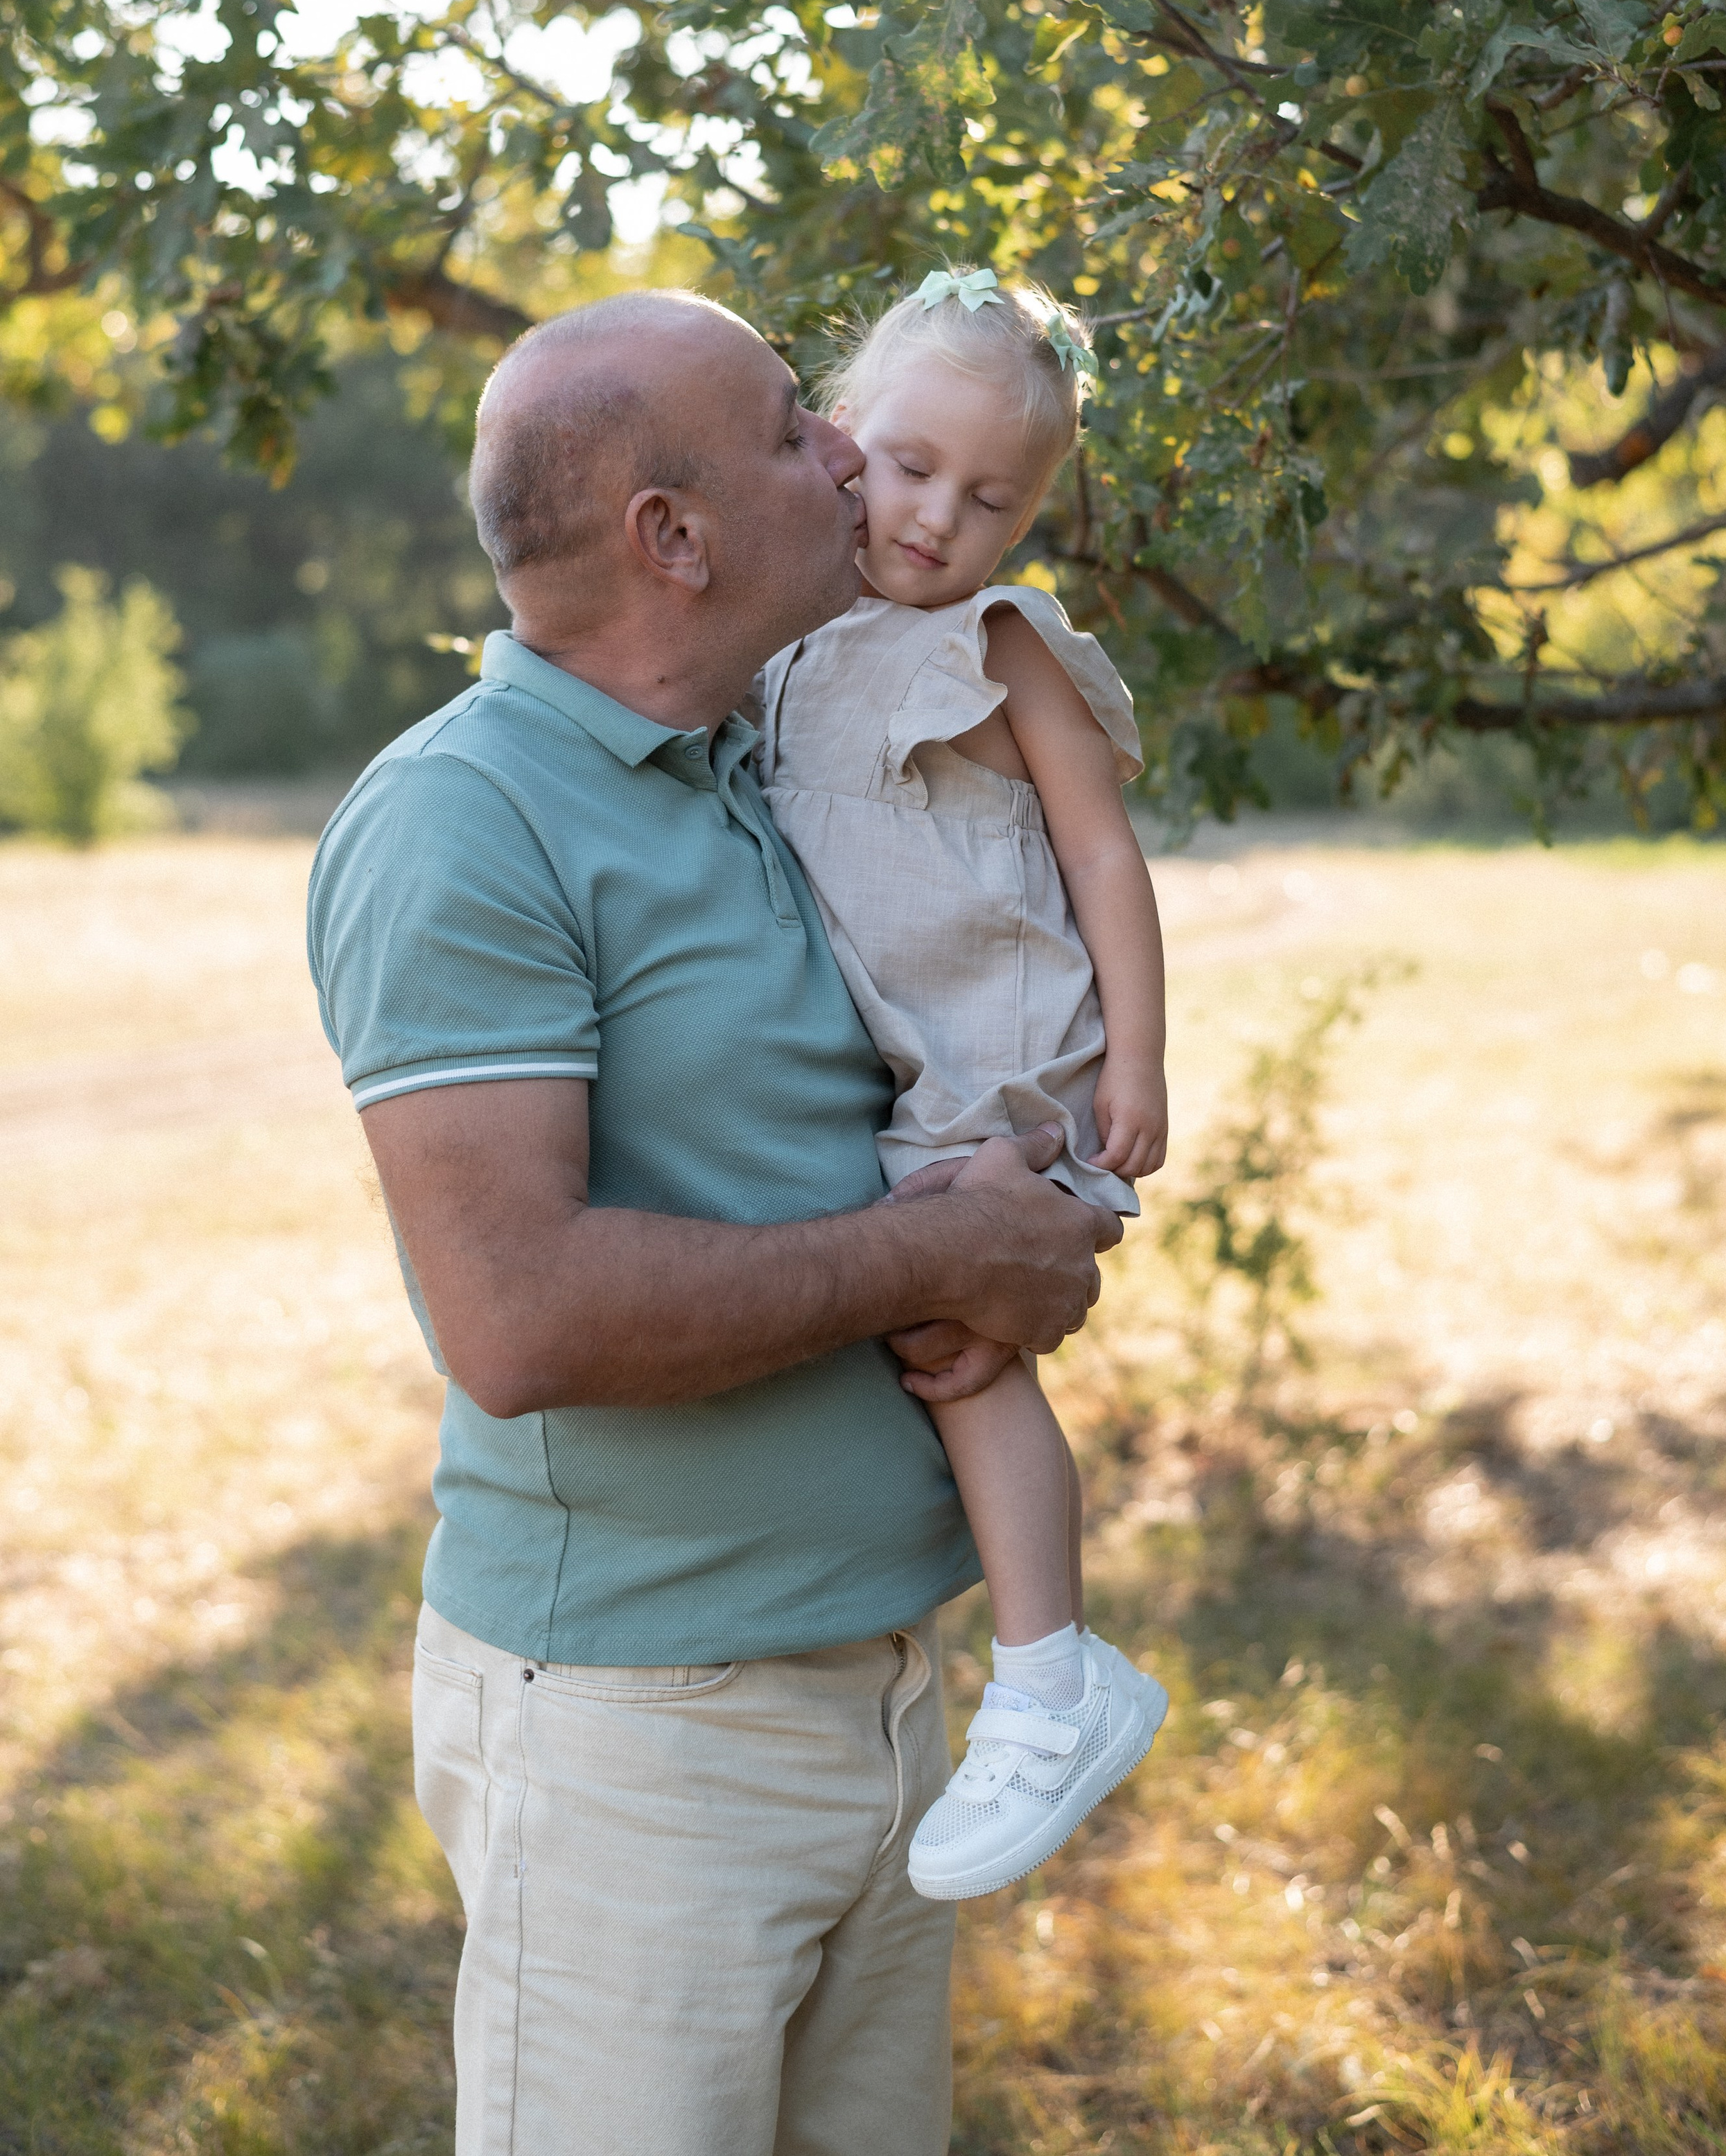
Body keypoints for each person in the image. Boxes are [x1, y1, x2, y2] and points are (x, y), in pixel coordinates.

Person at [304, 288, 1119, 2156]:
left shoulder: (774, 755)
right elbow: (518, 1317)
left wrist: (1034, 1192)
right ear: (671, 536)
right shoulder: (461, 821)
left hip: (888, 1687)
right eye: (784, 428)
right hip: (637, 1733)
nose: (842, 451)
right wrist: (941, 1257)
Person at [757, 268, 1171, 1902]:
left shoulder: (1001, 645)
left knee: (960, 1356)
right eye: (912, 465)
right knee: (902, 1328)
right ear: (839, 431)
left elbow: (1102, 853)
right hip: (894, 1053)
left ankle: (1052, 1681)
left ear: (1030, 516)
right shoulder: (792, 635)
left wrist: (1136, 1055)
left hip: (999, 1060)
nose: (937, 516)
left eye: (991, 498)